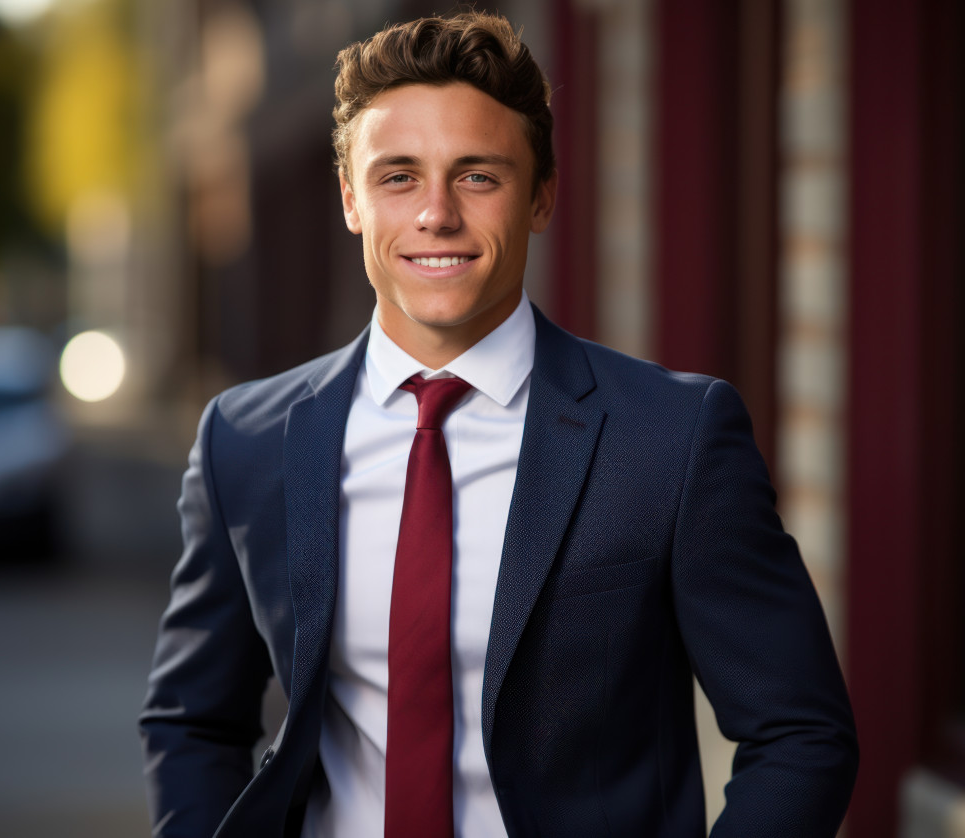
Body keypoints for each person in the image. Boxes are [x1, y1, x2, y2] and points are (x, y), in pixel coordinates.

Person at [140, 11, 857, 838]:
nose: (436, 214)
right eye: (398, 177)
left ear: (542, 195)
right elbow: (194, 720)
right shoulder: (247, 440)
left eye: (477, 175)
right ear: (350, 199)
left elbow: (801, 733)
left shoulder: (673, 438)